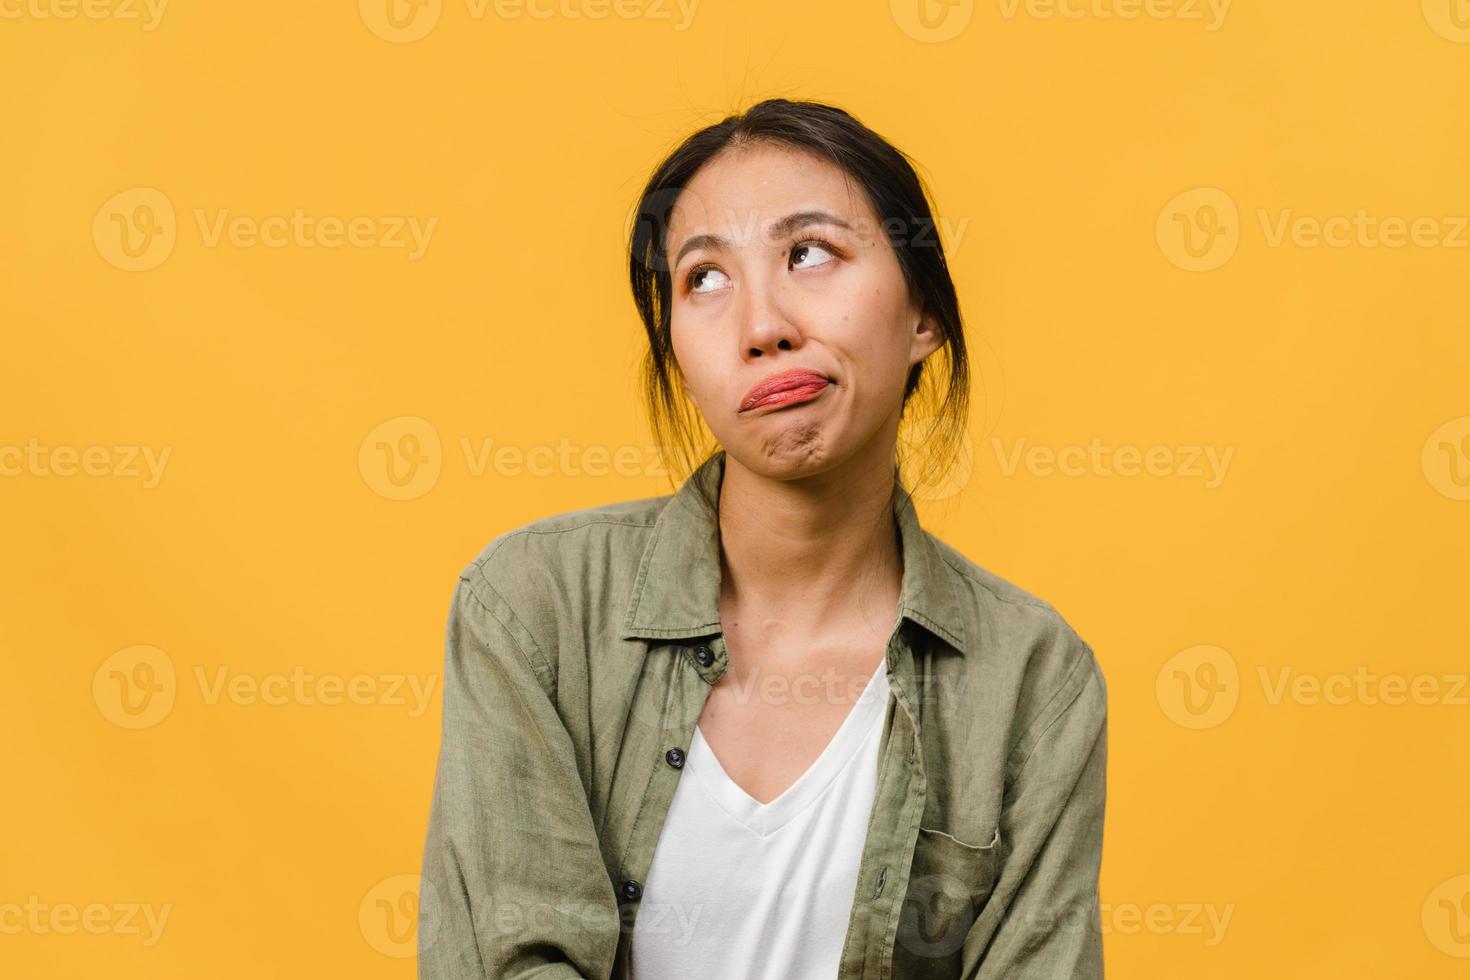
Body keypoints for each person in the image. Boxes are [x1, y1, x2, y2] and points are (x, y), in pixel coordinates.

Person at [418, 97, 1108, 980]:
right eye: (704, 278)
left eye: (810, 253)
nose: (762, 326)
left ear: (924, 317)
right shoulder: (532, 609)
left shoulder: (1034, 679)